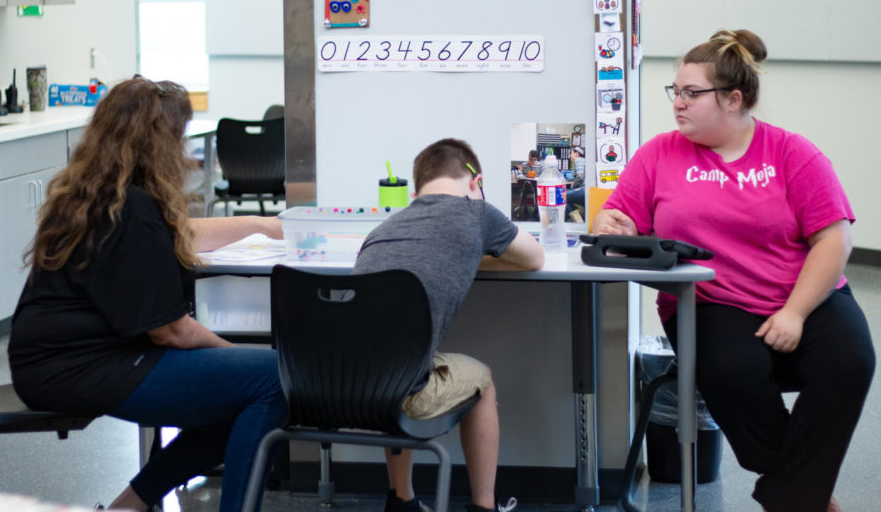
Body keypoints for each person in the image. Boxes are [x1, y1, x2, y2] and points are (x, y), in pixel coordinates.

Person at [592, 29, 875, 512]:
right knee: (731, 369)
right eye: (674, 91)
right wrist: (607, 221)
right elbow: (615, 217)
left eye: (691, 93)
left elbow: (834, 240)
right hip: (710, 301)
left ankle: (790, 495)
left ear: (733, 99)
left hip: (802, 296)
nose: (677, 103)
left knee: (851, 362)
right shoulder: (660, 153)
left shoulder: (792, 153)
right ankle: (805, 498)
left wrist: (795, 313)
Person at [7, 76, 287, 512]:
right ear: (158, 144)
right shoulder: (133, 211)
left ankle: (126, 507)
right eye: (178, 139)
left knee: (243, 390)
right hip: (81, 367)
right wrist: (233, 356)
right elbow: (171, 332)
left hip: (51, 360)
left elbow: (177, 236)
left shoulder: (93, 197)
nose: (184, 153)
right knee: (273, 379)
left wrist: (260, 226)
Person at [353, 138, 545, 512]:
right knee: (482, 378)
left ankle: (402, 499)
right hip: (404, 389)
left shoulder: (383, 228)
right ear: (476, 182)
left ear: (415, 191)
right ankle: (484, 507)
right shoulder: (477, 214)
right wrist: (477, 254)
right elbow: (534, 258)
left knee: (397, 354)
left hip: (338, 385)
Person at [566, 147, 585, 219]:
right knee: (564, 193)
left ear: (577, 153)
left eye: (571, 153)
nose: (570, 156)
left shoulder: (579, 160)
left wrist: (572, 186)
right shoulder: (582, 161)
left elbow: (580, 177)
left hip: (583, 190)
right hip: (583, 189)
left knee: (561, 197)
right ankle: (576, 215)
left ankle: (578, 220)